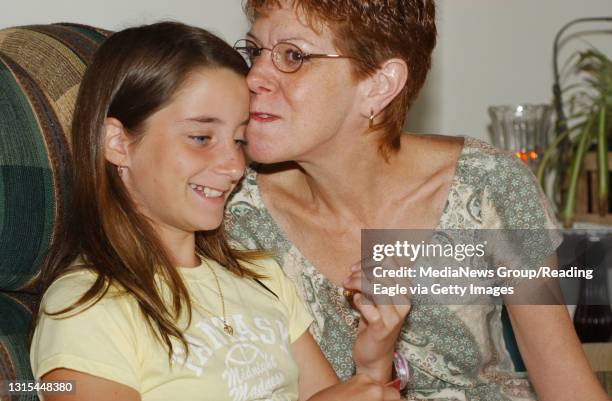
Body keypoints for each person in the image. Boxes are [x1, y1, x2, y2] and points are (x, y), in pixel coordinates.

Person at [223, 1, 610, 400]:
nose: (254, 77)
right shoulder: (233, 211)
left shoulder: (491, 186)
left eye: (293, 55)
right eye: (255, 52)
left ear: (379, 83)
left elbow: (567, 385)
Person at [29, 21, 409, 401]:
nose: (233, 166)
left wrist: (373, 362)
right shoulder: (85, 306)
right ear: (117, 143)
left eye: (239, 140)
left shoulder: (263, 279)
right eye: (200, 138)